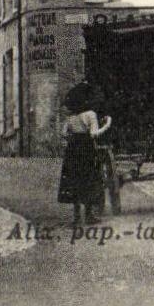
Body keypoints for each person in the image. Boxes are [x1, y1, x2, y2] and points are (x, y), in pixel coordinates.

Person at [57, 83, 111, 225]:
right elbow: (94, 134)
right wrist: (107, 125)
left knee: (74, 179)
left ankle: (76, 218)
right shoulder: (90, 114)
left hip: (72, 149)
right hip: (86, 148)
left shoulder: (71, 117)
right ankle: (88, 215)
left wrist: (72, 138)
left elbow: (63, 134)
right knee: (88, 178)